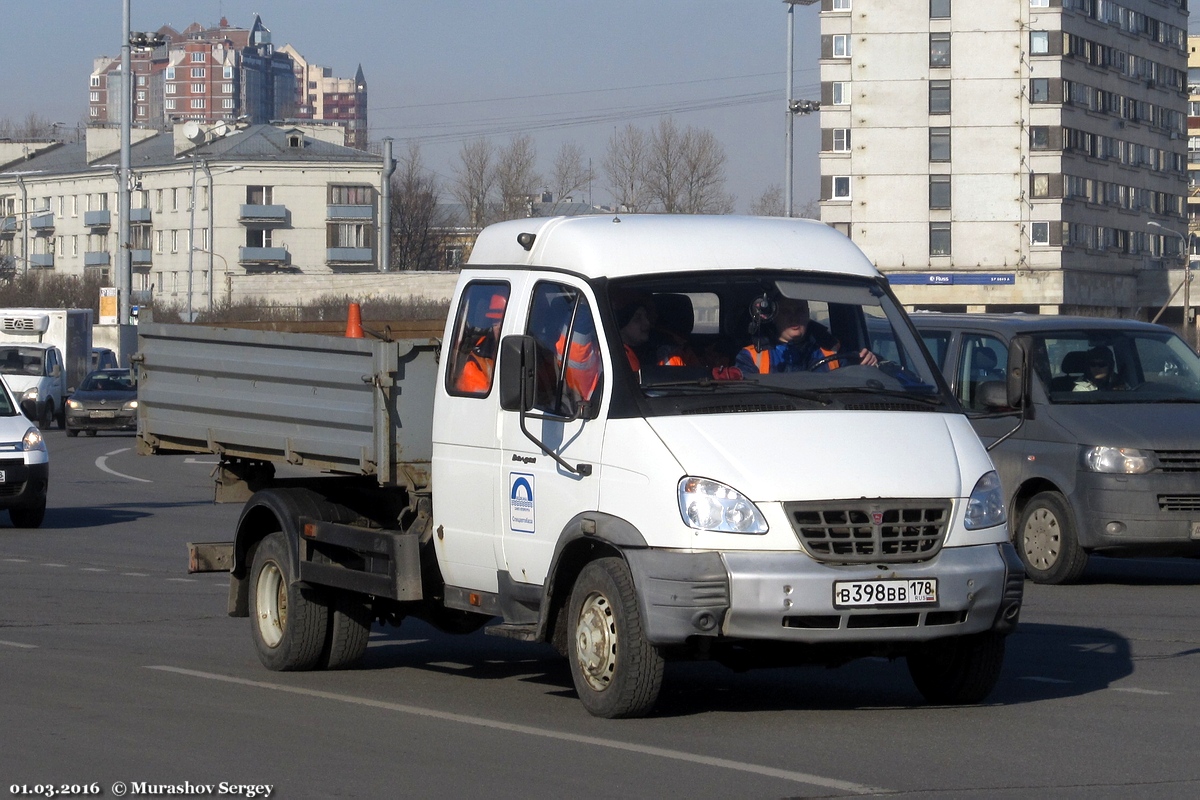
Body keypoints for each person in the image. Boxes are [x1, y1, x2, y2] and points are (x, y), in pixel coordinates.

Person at [735, 297, 878, 374]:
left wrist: (868, 362)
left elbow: (856, 382)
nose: (794, 317)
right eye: (786, 312)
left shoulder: (833, 348)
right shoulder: (751, 357)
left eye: (800, 310)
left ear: (808, 312)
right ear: (774, 317)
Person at [453, 292, 506, 393]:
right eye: (495, 322)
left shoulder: (534, 351)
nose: (498, 328)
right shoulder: (474, 363)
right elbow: (484, 400)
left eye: (501, 322)